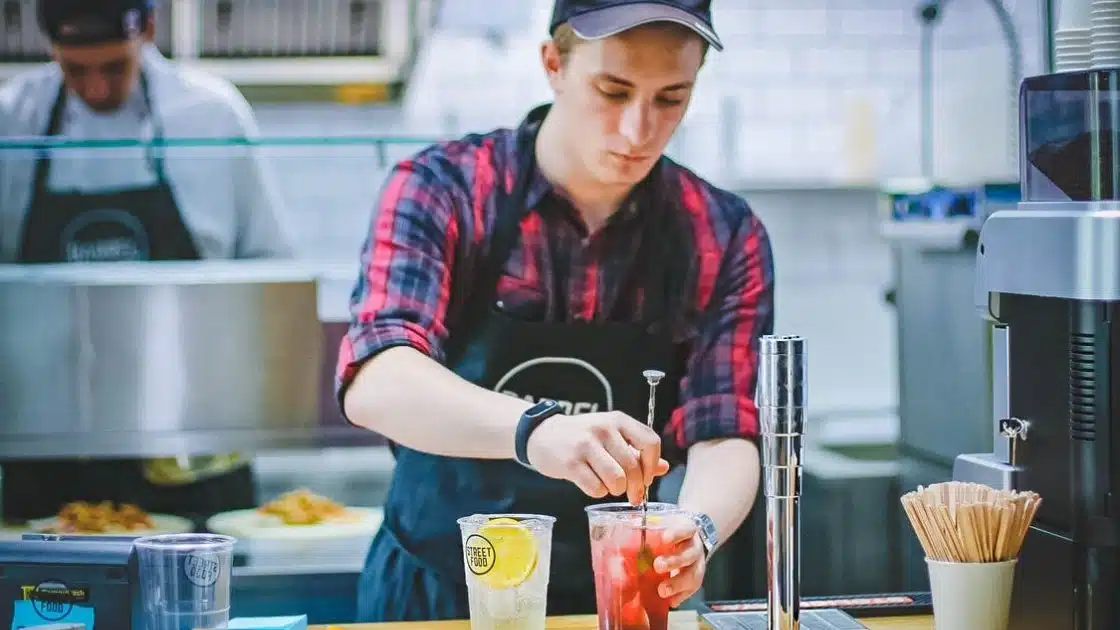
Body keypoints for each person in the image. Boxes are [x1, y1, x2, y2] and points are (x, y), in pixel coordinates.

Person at [337, 0, 773, 621]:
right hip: (432, 596)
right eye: (612, 90)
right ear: (553, 64)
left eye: (670, 98)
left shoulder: (722, 234)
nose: (637, 130)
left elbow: (726, 427)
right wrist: (535, 431)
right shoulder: (446, 189)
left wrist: (696, 531)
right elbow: (376, 378)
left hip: (613, 597)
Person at [0, 0, 292, 522]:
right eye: (75, 70)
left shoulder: (209, 115)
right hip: (49, 455)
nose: (94, 89)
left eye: (114, 67)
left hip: (191, 450)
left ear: (149, 32)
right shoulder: (12, 121)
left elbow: (270, 269)